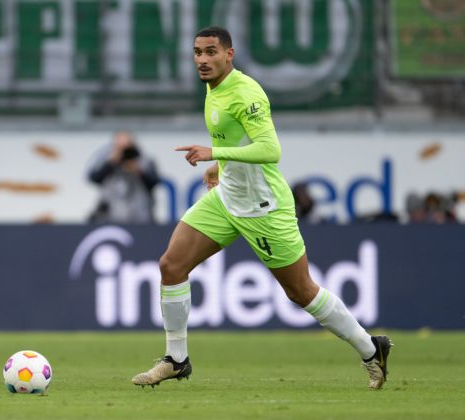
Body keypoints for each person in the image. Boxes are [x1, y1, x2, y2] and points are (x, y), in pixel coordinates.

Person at [131, 27, 392, 390]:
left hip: (263, 207)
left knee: (301, 291)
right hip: (226, 199)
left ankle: (370, 348)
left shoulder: (246, 92)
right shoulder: (213, 89)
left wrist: (214, 153)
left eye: (210, 52)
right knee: (171, 265)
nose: (202, 60)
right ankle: (176, 359)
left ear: (229, 54)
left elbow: (270, 149)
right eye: (197, 52)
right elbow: (236, 139)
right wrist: (221, 166)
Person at [87, 131, 160, 224]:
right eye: (120, 147)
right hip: (110, 215)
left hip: (140, 215)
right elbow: (94, 178)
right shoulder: (106, 159)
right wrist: (111, 163)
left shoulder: (145, 160)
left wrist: (139, 170)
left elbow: (154, 182)